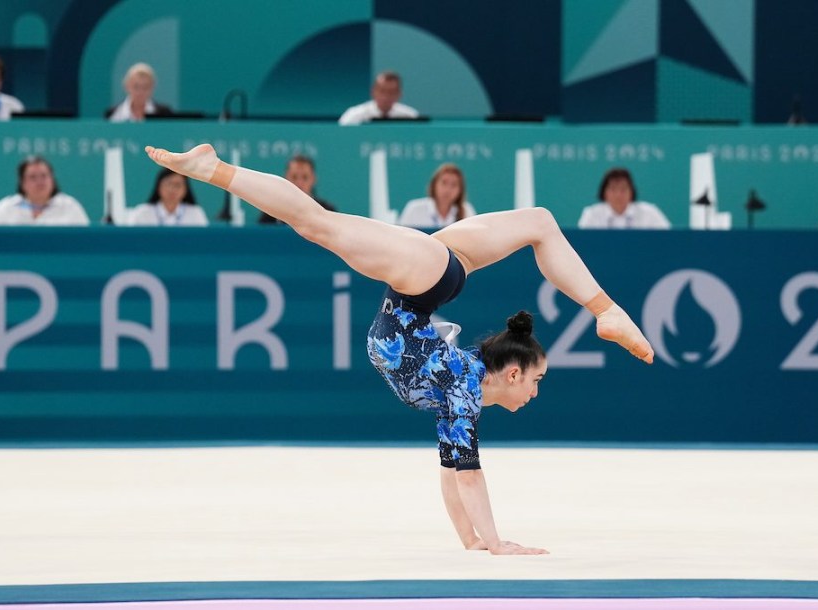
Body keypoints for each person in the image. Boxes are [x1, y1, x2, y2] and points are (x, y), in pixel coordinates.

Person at [144, 143, 655, 555]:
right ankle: (213, 169)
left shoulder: (464, 389)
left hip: (431, 281)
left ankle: (607, 310)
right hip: (421, 283)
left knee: (540, 221)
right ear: (513, 373)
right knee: (315, 222)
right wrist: (498, 545)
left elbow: (451, 471)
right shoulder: (464, 389)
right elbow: (469, 477)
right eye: (538, 380)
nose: (537, 393)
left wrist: (471, 541)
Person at [0, 156, 90, 226]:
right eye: (33, 177)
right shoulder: (6, 208)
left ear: (53, 180)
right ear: (22, 183)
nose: (40, 182)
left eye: (44, 176)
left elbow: (85, 242)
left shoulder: (70, 207)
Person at [577, 168, 670, 229]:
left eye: (623, 189)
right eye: (613, 189)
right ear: (604, 192)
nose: (618, 195)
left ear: (632, 191)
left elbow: (667, 239)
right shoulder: (591, 214)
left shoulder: (650, 213)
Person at [259, 155, 336, 224]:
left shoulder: (327, 211)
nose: (299, 183)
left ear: (313, 179)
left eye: (305, 177)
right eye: (294, 177)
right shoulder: (271, 212)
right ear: (285, 178)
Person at [398, 163, 476, 229]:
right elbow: (401, 239)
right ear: (434, 184)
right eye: (444, 183)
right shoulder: (414, 209)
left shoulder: (466, 211)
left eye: (454, 185)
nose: (448, 189)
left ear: (460, 190)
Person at [127, 168, 208, 226]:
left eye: (177, 185)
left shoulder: (195, 213)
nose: (172, 189)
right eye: (168, 184)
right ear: (158, 187)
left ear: (185, 190)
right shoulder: (142, 213)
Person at [338, 71, 419, 126]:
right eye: (382, 91)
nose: (386, 96)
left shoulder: (410, 117)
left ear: (399, 94)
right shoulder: (353, 115)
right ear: (373, 91)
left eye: (391, 92)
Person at [106, 63, 173, 123]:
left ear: (152, 88)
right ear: (127, 86)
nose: (140, 92)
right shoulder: (114, 114)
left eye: (145, 87)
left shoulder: (164, 114)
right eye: (136, 87)